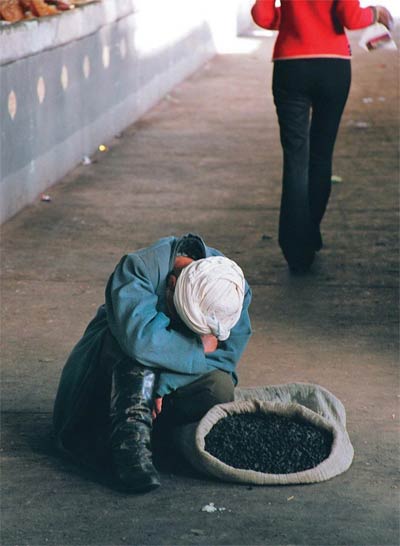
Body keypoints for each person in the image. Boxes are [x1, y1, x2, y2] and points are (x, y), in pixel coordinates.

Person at [53, 234, 252, 493]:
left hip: (163, 380)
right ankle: (129, 448)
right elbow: (139, 342)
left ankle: (158, 437)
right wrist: (198, 346)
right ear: (171, 284)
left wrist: (162, 385)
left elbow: (225, 358)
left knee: (219, 387)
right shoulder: (138, 269)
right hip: (108, 370)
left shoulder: (231, 288)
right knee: (133, 353)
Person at [251, 0, 393, 272]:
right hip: (333, 66)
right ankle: (309, 235)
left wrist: (295, 20)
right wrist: (377, 13)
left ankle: (295, 250)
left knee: (295, 159)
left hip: (290, 66)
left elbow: (262, 15)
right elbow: (350, 16)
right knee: (321, 154)